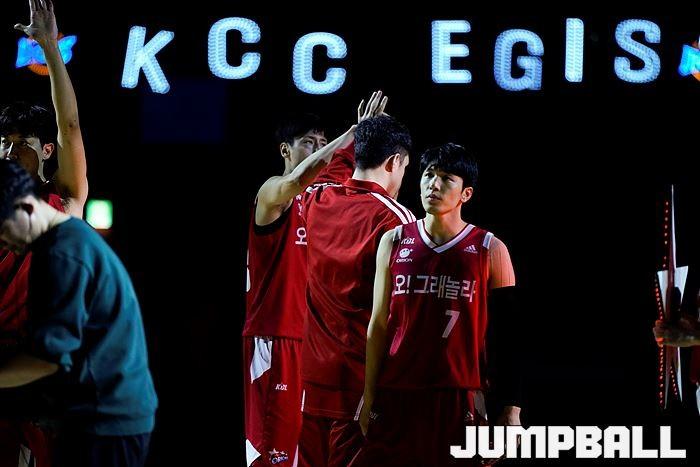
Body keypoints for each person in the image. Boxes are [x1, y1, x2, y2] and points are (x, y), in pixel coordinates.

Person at [354, 143, 522, 466]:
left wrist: (511, 410)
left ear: (466, 194)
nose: (434, 184)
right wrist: (369, 393)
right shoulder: (394, 240)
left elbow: (508, 339)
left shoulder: (490, 248)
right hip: (398, 392)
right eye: (429, 174)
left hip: (459, 396)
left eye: (446, 178)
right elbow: (378, 324)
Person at [243, 92, 387, 466]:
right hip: (275, 338)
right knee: (273, 455)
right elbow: (301, 177)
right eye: (309, 142)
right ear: (284, 150)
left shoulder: (321, 200)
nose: (319, 150)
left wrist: (362, 135)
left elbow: (344, 169)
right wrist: (352, 132)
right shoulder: (272, 193)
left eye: (323, 142)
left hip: (312, 348)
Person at [0, 160, 157, 467]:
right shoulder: (66, 240)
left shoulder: (62, 253)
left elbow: (47, 358)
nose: (3, 243)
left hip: (107, 422)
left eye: (2, 230)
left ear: (26, 208)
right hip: (107, 414)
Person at [299, 113, 415, 467]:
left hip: (309, 379)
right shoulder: (396, 220)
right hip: (360, 388)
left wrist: (354, 133)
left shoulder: (317, 198)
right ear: (394, 162)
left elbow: (327, 171)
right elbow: (402, 315)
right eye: (405, 167)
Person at [0, 0, 88, 464]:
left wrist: (51, 50)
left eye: (21, 145)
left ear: (46, 151)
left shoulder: (65, 200)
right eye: (3, 144)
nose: (9, 153)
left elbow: (69, 126)